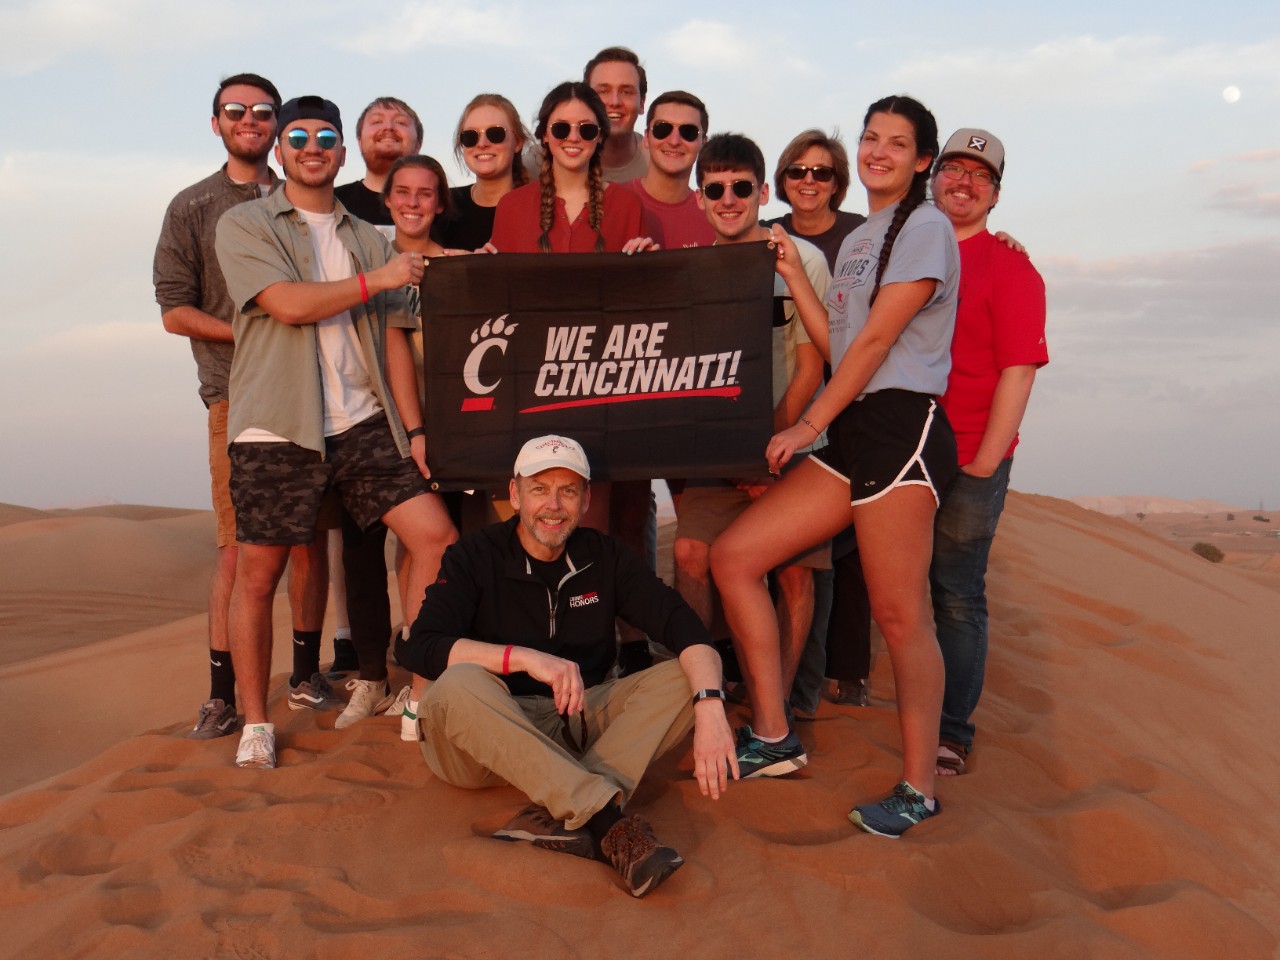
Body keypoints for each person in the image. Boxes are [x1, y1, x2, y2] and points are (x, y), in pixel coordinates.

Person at [710, 95, 960, 837]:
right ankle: (776, 735)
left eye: (897, 142)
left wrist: (810, 422)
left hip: (899, 427)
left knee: (898, 612)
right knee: (735, 556)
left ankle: (918, 787)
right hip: (851, 428)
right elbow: (841, 337)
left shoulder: (926, 227)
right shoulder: (859, 241)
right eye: (871, 137)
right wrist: (790, 270)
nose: (880, 150)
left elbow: (880, 344)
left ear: (922, 160)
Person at [214, 95, 457, 769]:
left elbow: (403, 327)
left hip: (362, 420)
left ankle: (419, 693)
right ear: (282, 149)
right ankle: (257, 723)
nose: (312, 145)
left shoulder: (365, 235)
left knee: (436, 538)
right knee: (260, 574)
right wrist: (378, 278)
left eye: (326, 136)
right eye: (298, 135)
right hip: (277, 424)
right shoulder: (247, 224)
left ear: (343, 153)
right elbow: (287, 305)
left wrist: (471, 266)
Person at [397, 435, 736, 898]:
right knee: (457, 685)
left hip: (573, 725)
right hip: (482, 737)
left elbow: (684, 627)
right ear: (515, 495)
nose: (552, 506)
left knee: (689, 674)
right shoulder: (475, 556)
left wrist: (711, 707)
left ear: (586, 499)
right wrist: (522, 658)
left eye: (568, 490)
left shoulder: (606, 556)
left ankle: (556, 812)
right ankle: (607, 823)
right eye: (539, 489)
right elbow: (421, 647)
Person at [152, 73, 329, 741]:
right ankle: (221, 693)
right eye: (236, 111)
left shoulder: (307, 199)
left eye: (262, 112)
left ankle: (308, 673)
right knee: (238, 549)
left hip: (319, 392)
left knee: (312, 539)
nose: (249, 120)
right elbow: (174, 310)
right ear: (216, 122)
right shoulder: (194, 206)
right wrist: (256, 327)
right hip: (238, 394)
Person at [673, 133, 829, 739]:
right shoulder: (691, 265)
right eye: (715, 189)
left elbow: (811, 363)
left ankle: (776, 708)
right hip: (719, 452)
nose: (729, 198)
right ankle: (697, 699)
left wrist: (768, 449)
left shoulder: (800, 257)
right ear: (701, 197)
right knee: (690, 555)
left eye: (742, 187)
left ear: (763, 192)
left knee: (791, 574)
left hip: (793, 447)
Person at [929, 128, 1048, 777]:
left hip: (971, 454)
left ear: (995, 194)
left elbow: (1020, 369)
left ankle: (951, 731)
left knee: (955, 594)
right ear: (935, 176)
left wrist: (984, 461)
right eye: (955, 169)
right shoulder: (911, 247)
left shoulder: (1012, 268)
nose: (965, 183)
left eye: (981, 176)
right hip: (903, 451)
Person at [765, 130, 871, 714]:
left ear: (838, 181)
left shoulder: (860, 236)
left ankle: (831, 676)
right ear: (782, 180)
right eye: (798, 172)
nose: (809, 182)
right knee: (795, 559)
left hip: (847, 408)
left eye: (822, 173)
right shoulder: (768, 237)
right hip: (790, 417)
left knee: (831, 559)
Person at [489, 82, 653, 254]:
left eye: (586, 129)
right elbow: (500, 279)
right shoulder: (511, 207)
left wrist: (650, 264)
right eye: (561, 128)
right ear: (545, 135)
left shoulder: (628, 206)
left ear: (600, 136)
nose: (573, 138)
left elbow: (637, 280)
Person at [620, 90, 715, 249]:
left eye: (688, 132)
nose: (674, 141)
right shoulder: (611, 203)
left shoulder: (716, 216)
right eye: (662, 129)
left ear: (703, 143)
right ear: (646, 138)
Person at [439, 94, 531, 251]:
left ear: (518, 142)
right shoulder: (444, 205)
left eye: (495, 134)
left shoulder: (540, 206)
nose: (482, 144)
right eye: (470, 136)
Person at [333, 96, 424, 225]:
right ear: (360, 142)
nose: (388, 127)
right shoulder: (331, 205)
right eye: (376, 121)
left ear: (418, 144)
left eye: (401, 122)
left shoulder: (443, 207)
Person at [583, 46, 648, 183]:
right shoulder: (544, 160)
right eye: (603, 91)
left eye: (626, 92)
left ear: (642, 103)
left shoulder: (658, 163)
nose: (615, 102)